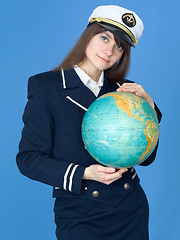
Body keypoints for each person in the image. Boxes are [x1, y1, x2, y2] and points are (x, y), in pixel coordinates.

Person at [16, 5, 162, 240]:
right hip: (79, 214)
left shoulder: (125, 93)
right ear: (88, 35)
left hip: (129, 207)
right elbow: (28, 159)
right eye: (104, 38)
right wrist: (84, 173)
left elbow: (147, 159)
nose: (109, 51)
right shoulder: (46, 87)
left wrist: (151, 109)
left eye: (119, 47)